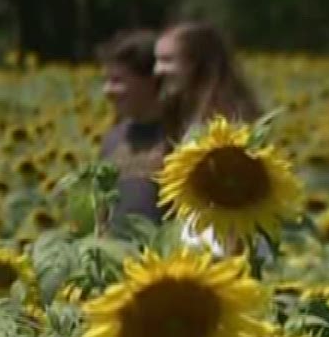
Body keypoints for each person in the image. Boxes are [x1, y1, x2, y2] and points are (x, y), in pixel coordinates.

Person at [151, 20, 265, 257]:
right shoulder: (188, 116)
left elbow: (236, 199)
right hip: (200, 246)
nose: (157, 70)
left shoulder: (226, 125)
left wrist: (233, 258)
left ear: (195, 64)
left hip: (221, 249)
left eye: (167, 60)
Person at [95, 29, 168, 234]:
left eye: (117, 80)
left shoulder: (182, 139)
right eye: (105, 80)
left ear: (152, 80)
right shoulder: (113, 139)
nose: (107, 91)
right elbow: (101, 212)